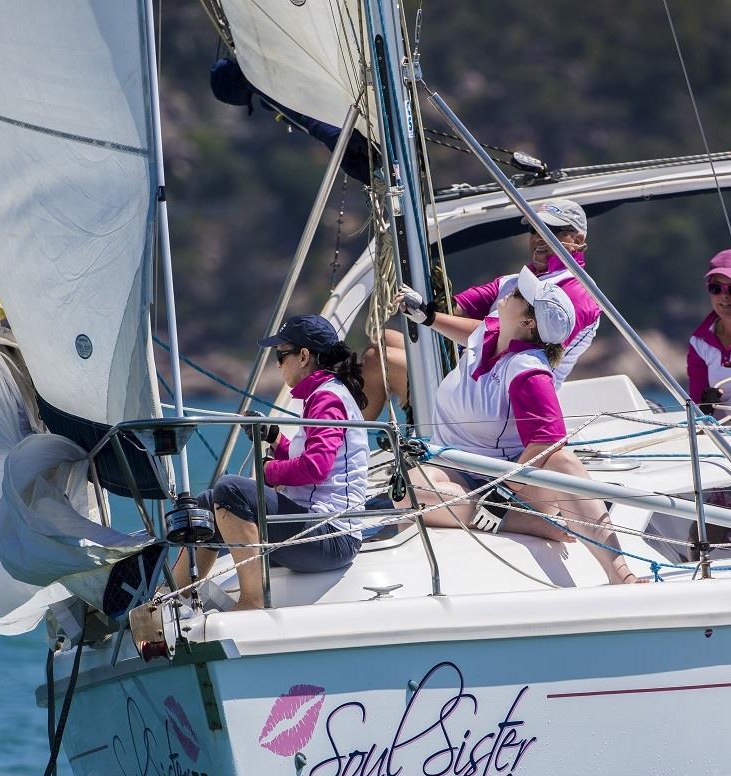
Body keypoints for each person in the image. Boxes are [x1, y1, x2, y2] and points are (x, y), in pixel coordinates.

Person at [395, 269, 639, 584]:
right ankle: (525, 522)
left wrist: (502, 496)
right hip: (455, 465)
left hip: (509, 478)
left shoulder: (528, 370)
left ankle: (620, 572)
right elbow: (474, 332)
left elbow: (546, 443)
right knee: (406, 490)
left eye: (521, 296)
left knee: (564, 461)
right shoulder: (494, 331)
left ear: (528, 324)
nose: (511, 292)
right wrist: (427, 318)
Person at [175, 315, 369, 610]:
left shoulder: (327, 399)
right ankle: (176, 598)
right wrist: (277, 440)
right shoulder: (324, 394)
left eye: (281, 355)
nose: (278, 364)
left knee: (231, 490)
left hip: (331, 535)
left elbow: (316, 467)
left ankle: (252, 602)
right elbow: (311, 460)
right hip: (315, 528)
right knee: (207, 503)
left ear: (303, 356)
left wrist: (268, 470)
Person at [361, 198, 601, 419]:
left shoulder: (578, 295)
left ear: (577, 241)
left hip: (505, 398)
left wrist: (430, 317)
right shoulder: (515, 281)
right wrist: (427, 300)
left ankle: (349, 452)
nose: (539, 237)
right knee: (385, 338)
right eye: (534, 229)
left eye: (551, 231)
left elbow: (504, 337)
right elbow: (456, 309)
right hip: (481, 378)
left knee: (378, 359)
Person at [687, 249, 731, 418]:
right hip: (720, 437)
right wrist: (706, 403)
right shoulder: (699, 343)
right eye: (716, 288)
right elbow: (697, 405)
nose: (724, 296)